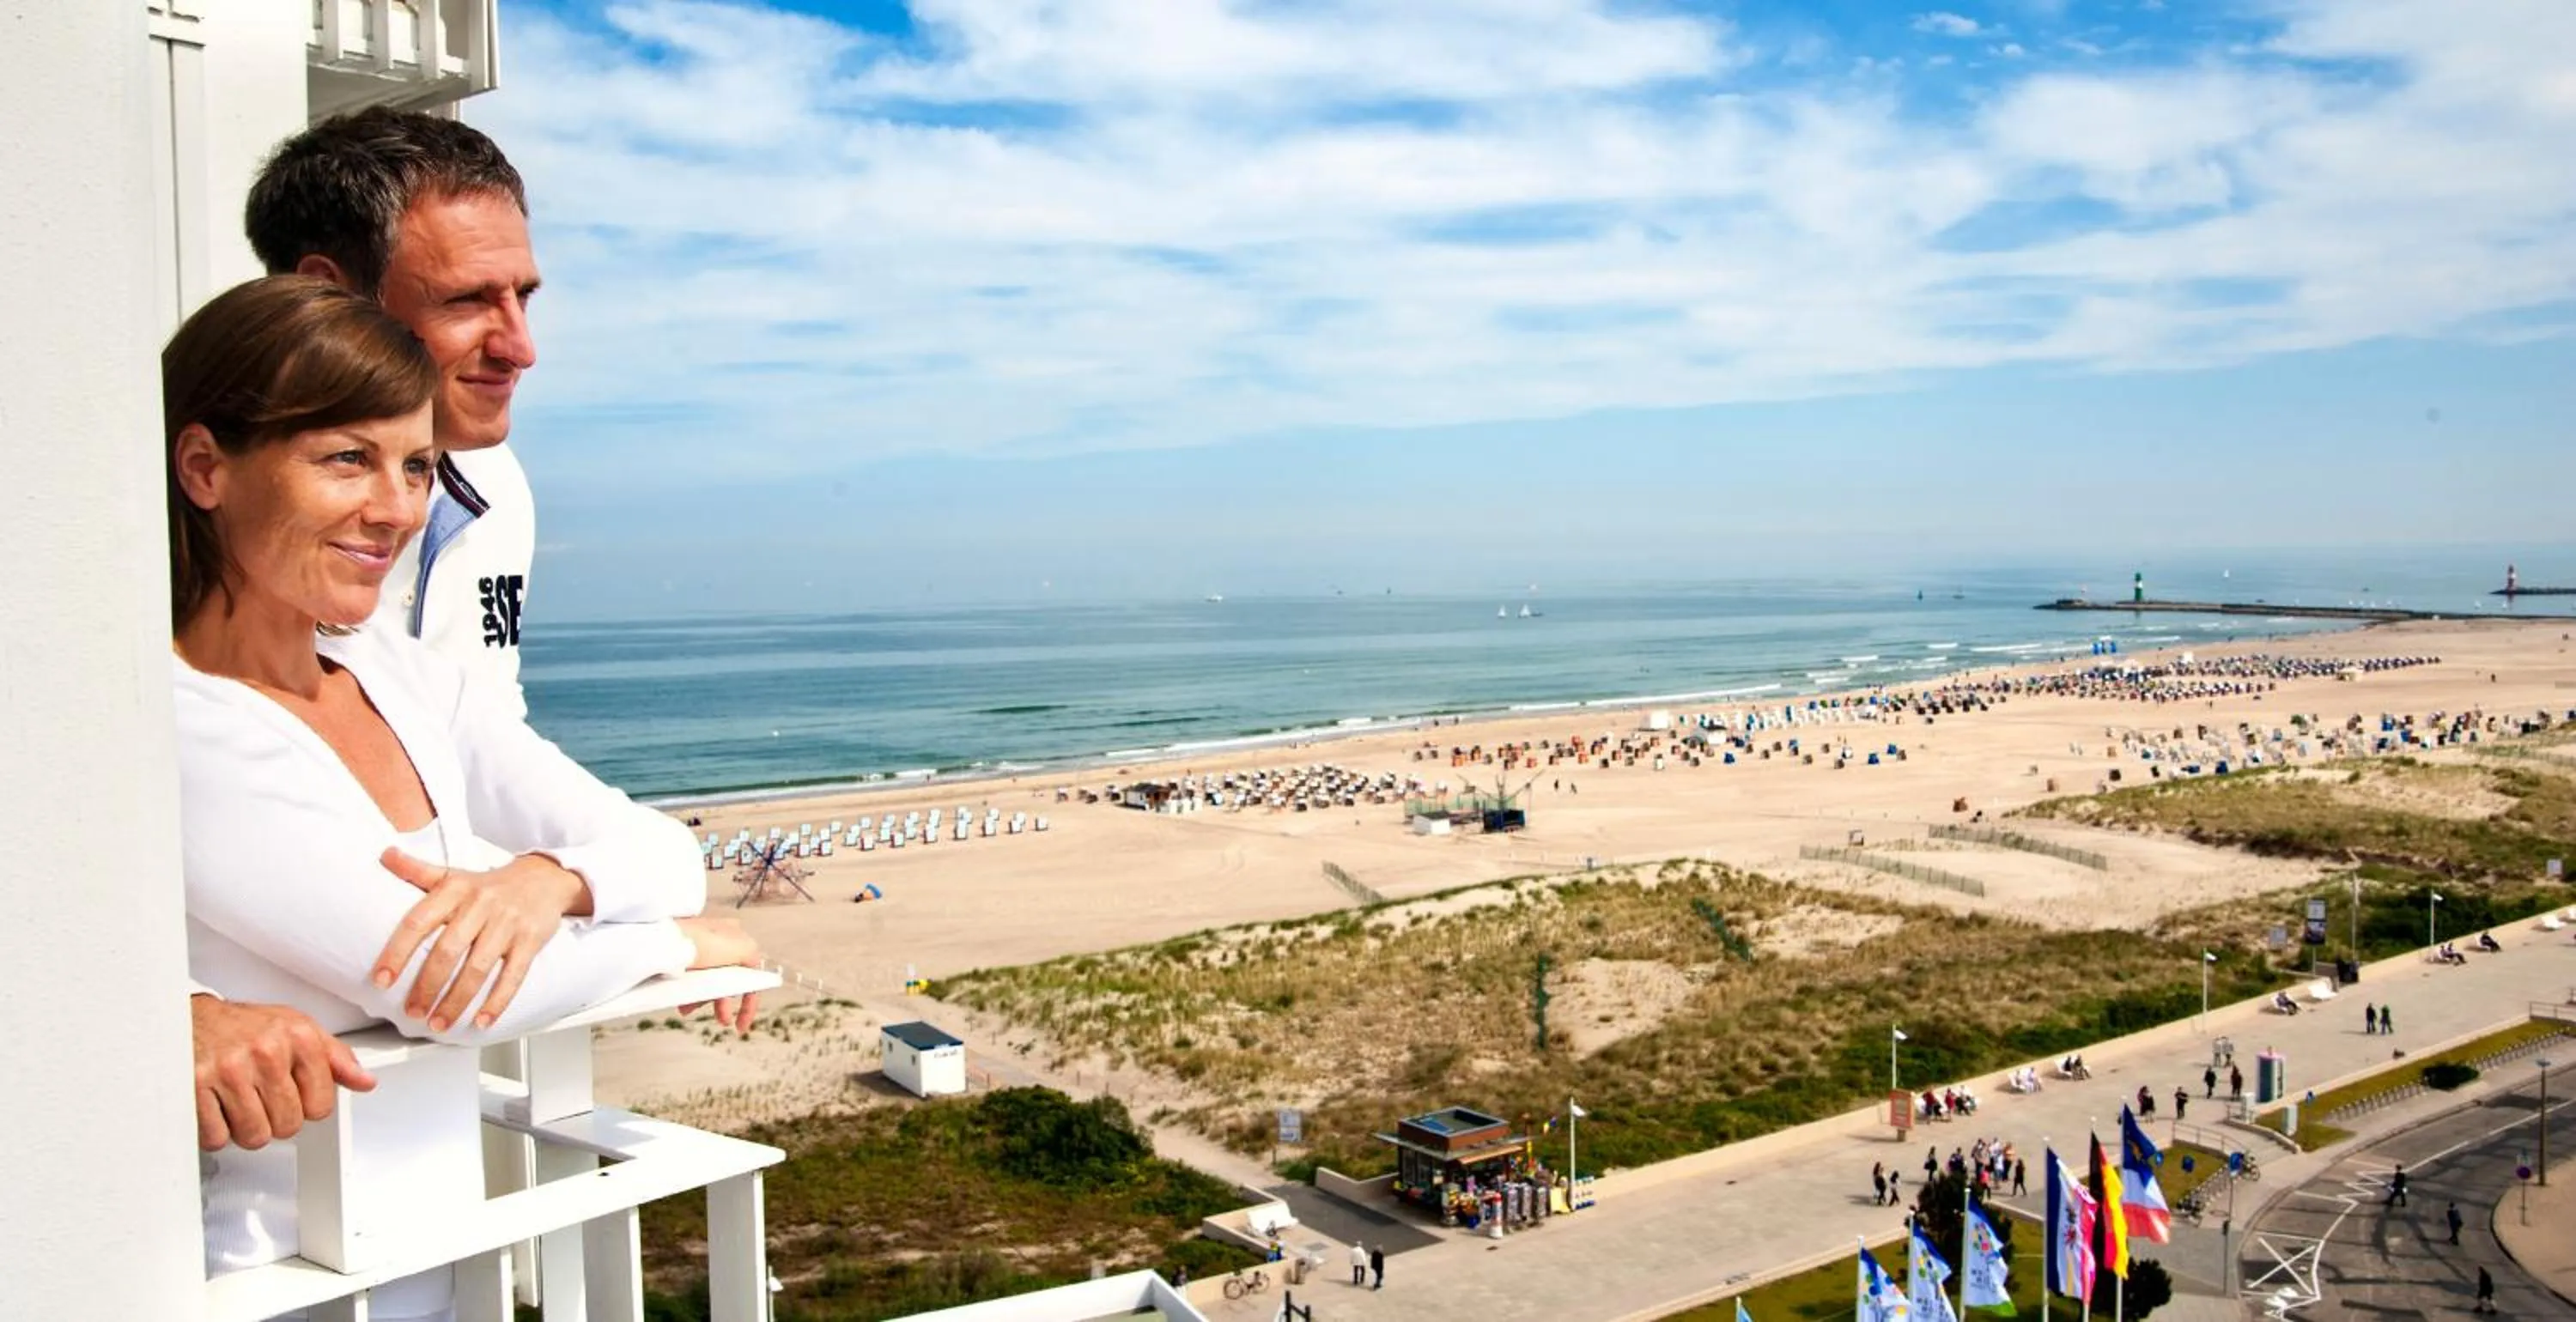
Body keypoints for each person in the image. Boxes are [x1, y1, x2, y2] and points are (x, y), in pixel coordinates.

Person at [167, 276, 761, 1319]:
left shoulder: (401, 674)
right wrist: (680, 944)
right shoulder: (184, 722)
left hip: (448, 1269)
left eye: (417, 466)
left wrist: (554, 880)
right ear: (207, 467)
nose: (395, 508)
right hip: (280, 1288)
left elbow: (665, 849)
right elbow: (445, 985)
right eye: (346, 458)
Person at [191, 107, 567, 1152]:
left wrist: (557, 874)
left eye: (524, 297)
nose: (520, 347)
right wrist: (161, 1003)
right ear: (327, 291)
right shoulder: (175, 514)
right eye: (467, 302)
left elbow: (491, 736)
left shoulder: (496, 486)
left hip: (430, 1074)